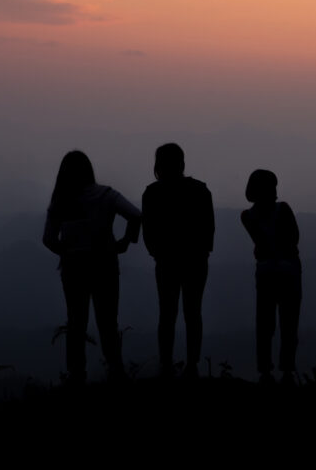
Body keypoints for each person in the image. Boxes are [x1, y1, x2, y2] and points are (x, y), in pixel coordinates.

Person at [42, 150, 141, 385]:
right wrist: (126, 242)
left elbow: (48, 239)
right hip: (105, 265)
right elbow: (136, 215)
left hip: (73, 268)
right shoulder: (106, 195)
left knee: (76, 322)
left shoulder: (62, 200)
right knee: (108, 322)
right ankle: (116, 371)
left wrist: (65, 251)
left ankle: (77, 375)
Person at [142, 143, 215, 379]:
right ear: (182, 163)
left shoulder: (152, 193)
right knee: (193, 313)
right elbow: (208, 229)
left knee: (167, 314)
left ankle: (166, 365)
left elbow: (149, 233)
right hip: (195, 261)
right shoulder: (200, 190)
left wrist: (158, 253)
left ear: (158, 164)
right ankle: (192, 365)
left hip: (166, 262)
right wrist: (201, 252)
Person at [240, 169, 301, 385]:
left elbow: (261, 243)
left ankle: (265, 370)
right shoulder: (283, 209)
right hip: (289, 272)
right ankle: (287, 371)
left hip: (265, 272)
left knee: (265, 323)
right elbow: (294, 238)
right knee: (289, 323)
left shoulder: (247, 216)